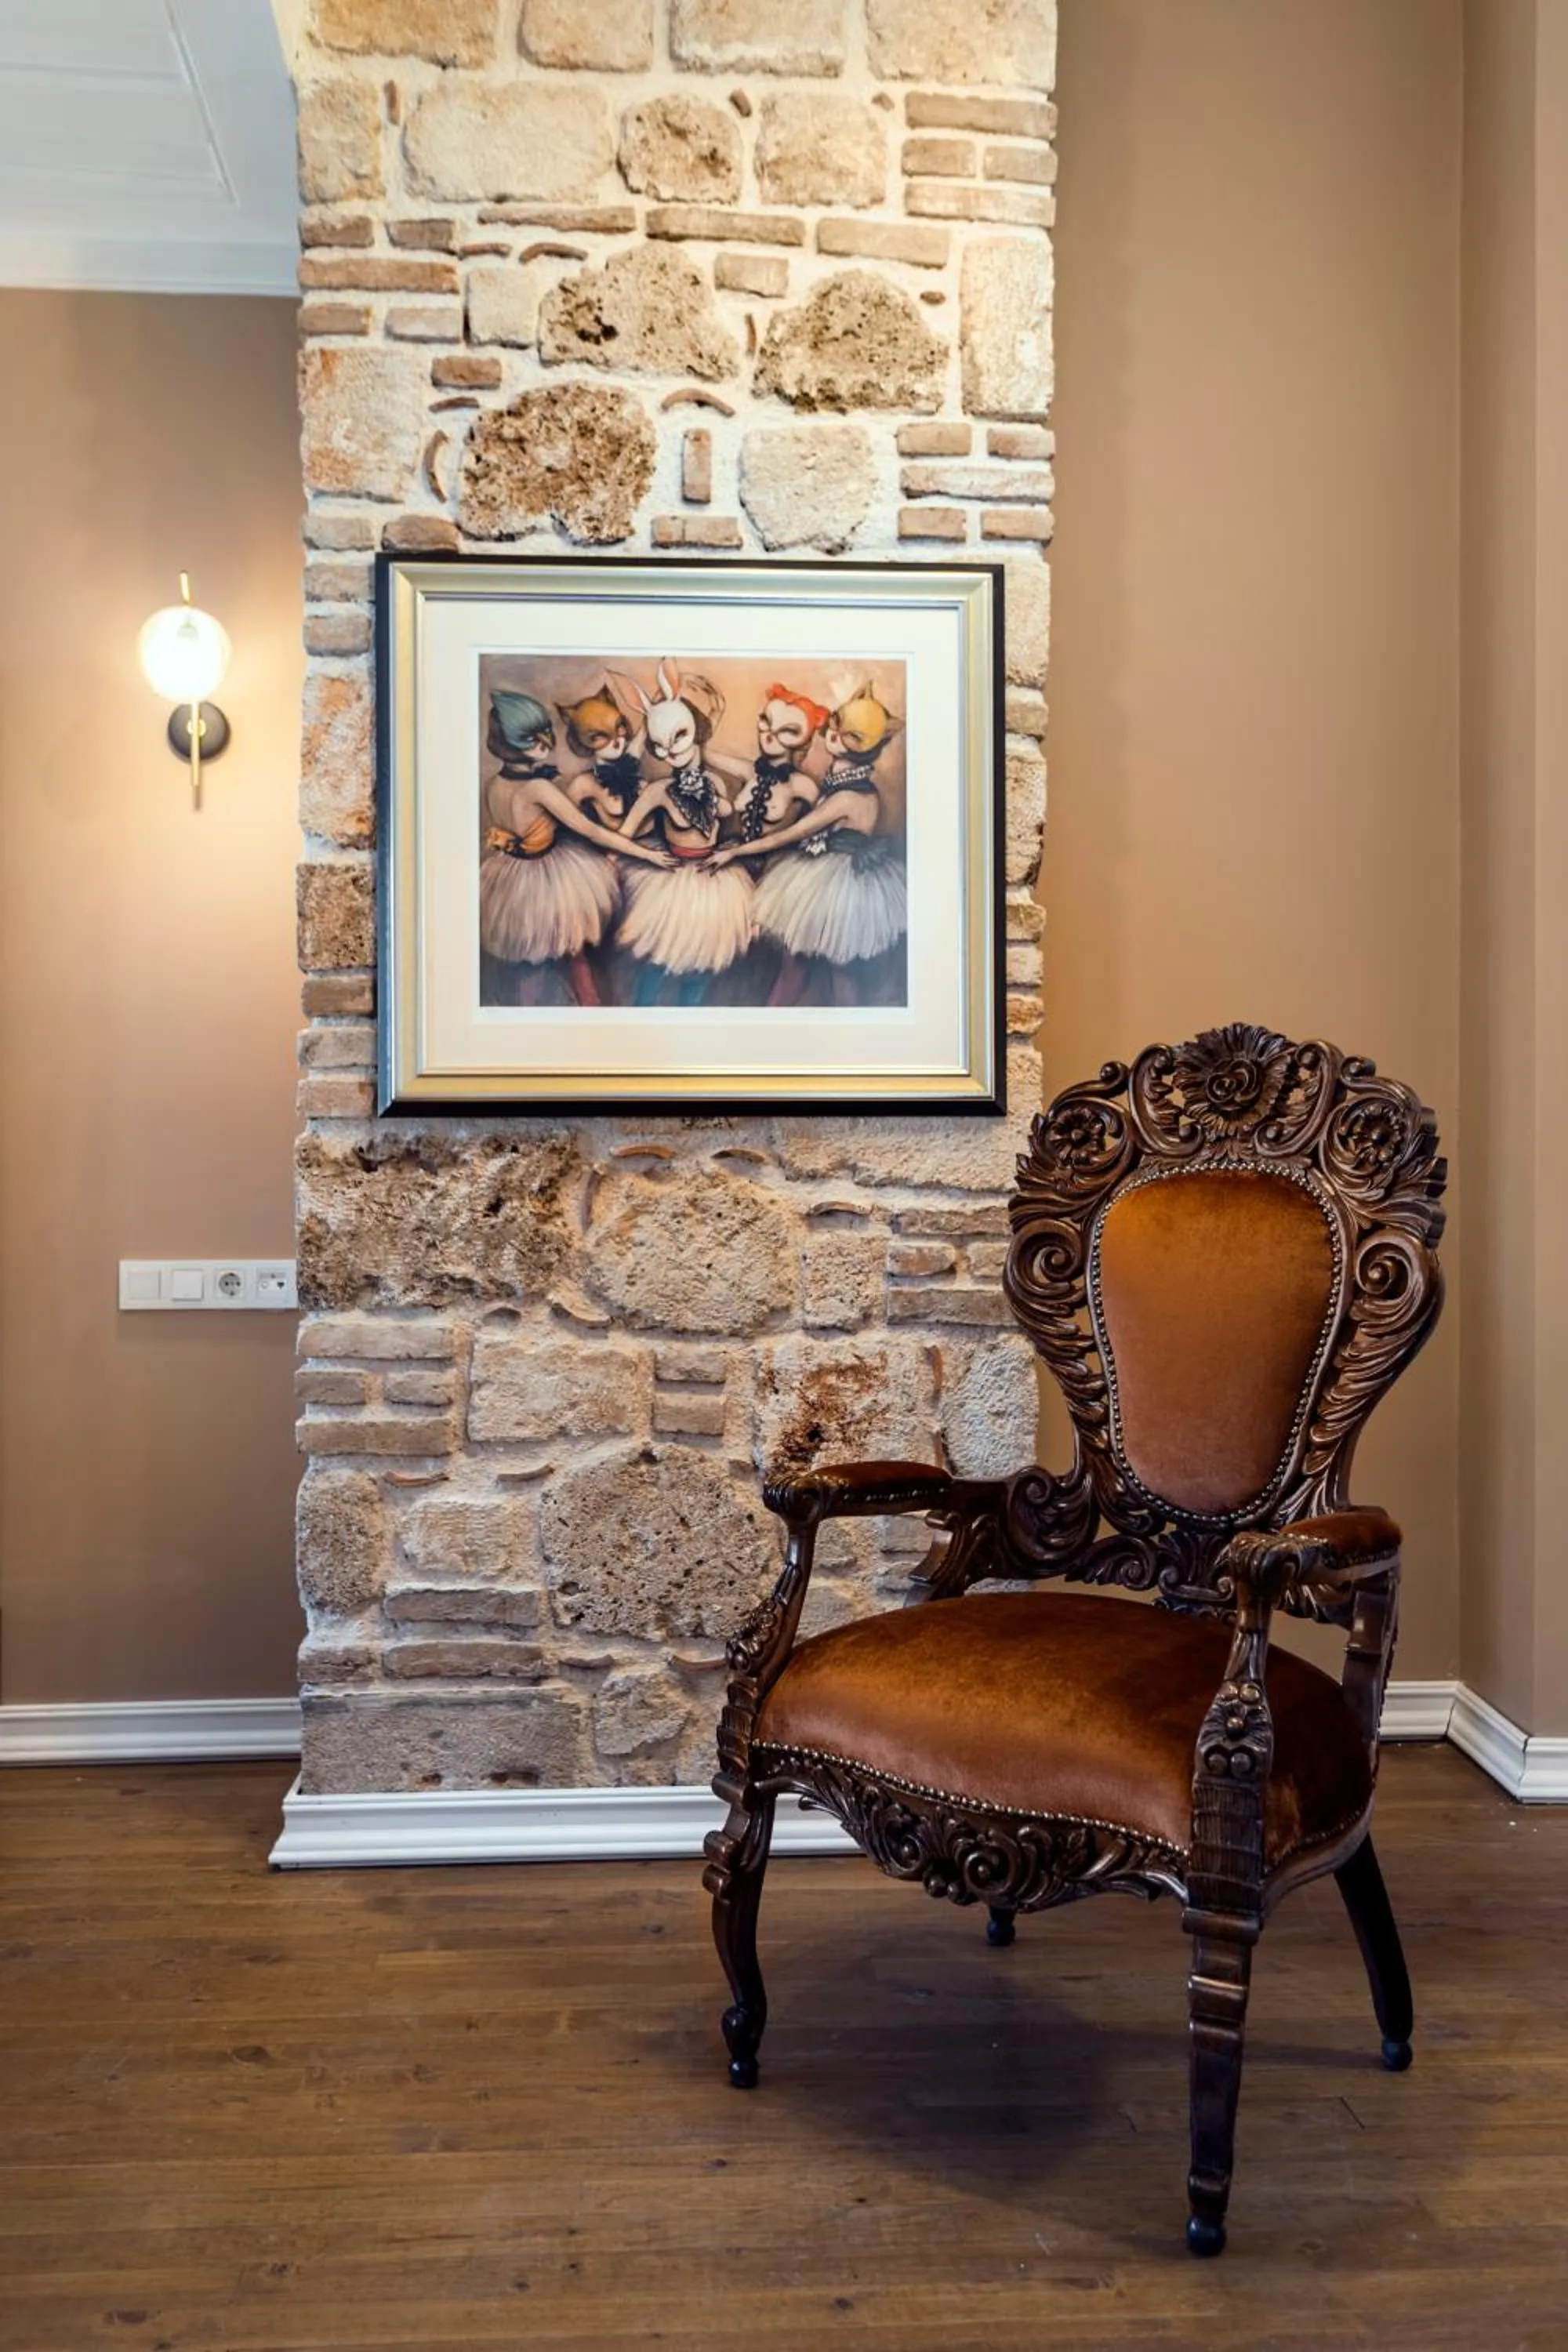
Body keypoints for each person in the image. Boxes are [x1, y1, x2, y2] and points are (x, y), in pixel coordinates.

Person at [706, 684, 908, 1007]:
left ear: (865, 747)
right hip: (825, 876)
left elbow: (793, 834)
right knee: (803, 964)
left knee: (836, 970)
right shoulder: (842, 785)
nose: (834, 733)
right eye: (836, 724)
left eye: (848, 735)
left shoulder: (849, 796)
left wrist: (736, 851)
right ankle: (776, 1021)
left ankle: (848, 1039)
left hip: (838, 884)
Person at [478, 688, 670, 1007]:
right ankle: (577, 1014)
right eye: (532, 739)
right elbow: (591, 831)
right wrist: (646, 853)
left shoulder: (493, 785)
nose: (545, 744)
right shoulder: (538, 788)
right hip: (543, 879)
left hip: (508, 873)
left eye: (545, 734)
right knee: (554, 956)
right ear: (509, 745)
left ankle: (566, 1014)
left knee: (547, 956)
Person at [610, 662, 757, 1005]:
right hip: (673, 882)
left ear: (696, 732)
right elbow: (624, 834)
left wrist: (718, 791)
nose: (670, 751)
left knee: (703, 964)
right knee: (660, 963)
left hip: (715, 882)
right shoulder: (658, 790)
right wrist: (633, 859)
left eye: (679, 737)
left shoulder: (717, 781)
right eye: (660, 746)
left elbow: (750, 779)